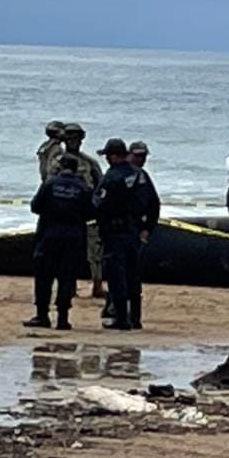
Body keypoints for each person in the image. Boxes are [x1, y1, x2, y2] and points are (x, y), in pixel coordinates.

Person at [24, 153, 93, 330]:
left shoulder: (50, 184)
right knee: (67, 277)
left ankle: (42, 316)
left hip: (49, 235)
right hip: (73, 237)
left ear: (61, 167)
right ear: (76, 169)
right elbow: (91, 213)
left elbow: (35, 206)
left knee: (44, 277)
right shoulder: (83, 187)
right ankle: (63, 318)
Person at [49, 123, 105, 299]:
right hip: (65, 217)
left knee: (94, 254)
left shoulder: (90, 163)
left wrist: (96, 210)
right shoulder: (55, 163)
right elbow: (49, 186)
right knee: (65, 255)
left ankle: (97, 285)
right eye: (70, 138)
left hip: (86, 216)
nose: (74, 142)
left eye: (77, 138)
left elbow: (101, 187)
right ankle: (68, 287)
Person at [92, 139, 141, 330]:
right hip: (134, 231)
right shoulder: (139, 175)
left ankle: (121, 318)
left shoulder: (112, 177)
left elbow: (99, 203)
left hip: (114, 232)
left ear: (112, 156)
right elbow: (152, 202)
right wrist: (146, 228)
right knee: (133, 275)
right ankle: (135, 317)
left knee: (116, 275)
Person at [127, 141, 161, 329]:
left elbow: (154, 205)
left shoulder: (142, 177)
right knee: (118, 274)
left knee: (131, 275)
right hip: (119, 230)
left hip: (133, 230)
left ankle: (133, 317)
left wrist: (148, 228)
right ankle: (116, 311)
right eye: (138, 156)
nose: (142, 159)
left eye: (144, 156)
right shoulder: (120, 174)